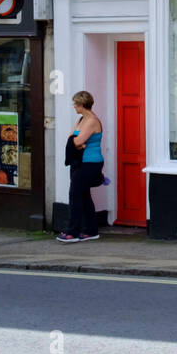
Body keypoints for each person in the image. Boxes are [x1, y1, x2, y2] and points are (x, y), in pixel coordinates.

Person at [57, 90, 104, 242]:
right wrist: (77, 142)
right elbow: (71, 138)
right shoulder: (80, 120)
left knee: (75, 195)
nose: (74, 106)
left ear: (83, 104)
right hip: (80, 162)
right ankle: (91, 231)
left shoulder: (91, 121)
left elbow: (76, 141)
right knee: (84, 196)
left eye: (76, 104)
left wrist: (78, 143)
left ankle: (72, 232)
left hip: (90, 163)